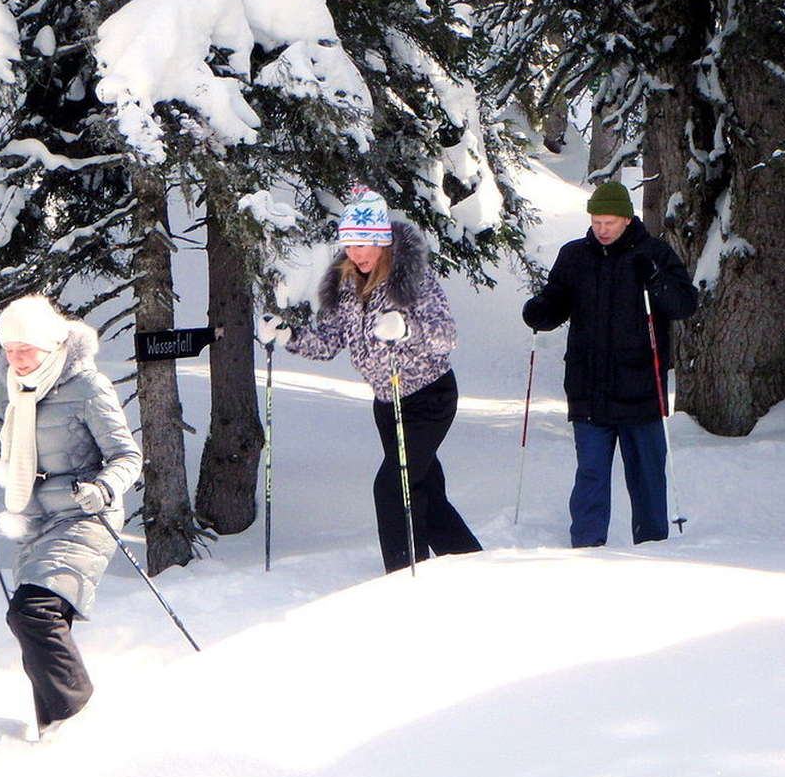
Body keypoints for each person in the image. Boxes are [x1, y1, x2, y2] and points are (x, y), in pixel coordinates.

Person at [0, 295, 142, 737]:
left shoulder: (86, 385)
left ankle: (76, 713)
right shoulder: (10, 386)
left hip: (86, 514)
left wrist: (102, 487)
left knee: (33, 612)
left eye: (25, 349)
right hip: (39, 516)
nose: (16, 359)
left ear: (49, 345)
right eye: (9, 349)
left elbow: (127, 456)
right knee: (36, 621)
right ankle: (54, 730)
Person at [263, 186, 481, 573]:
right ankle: (470, 564)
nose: (357, 253)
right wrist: (289, 336)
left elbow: (446, 336)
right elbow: (329, 342)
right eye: (350, 244)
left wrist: (406, 328)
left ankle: (403, 575)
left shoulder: (412, 279)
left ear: (382, 242)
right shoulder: (345, 285)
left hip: (429, 397)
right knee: (425, 492)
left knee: (392, 487)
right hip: (387, 403)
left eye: (365, 244)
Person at [522, 180, 697, 548]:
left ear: (626, 219)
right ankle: (586, 547)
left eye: (609, 223)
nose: (601, 229)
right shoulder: (575, 256)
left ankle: (653, 547)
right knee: (591, 474)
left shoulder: (654, 254)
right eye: (596, 222)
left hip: (642, 390)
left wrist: (656, 281)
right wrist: (541, 311)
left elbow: (684, 305)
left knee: (647, 476)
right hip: (589, 389)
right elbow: (557, 301)